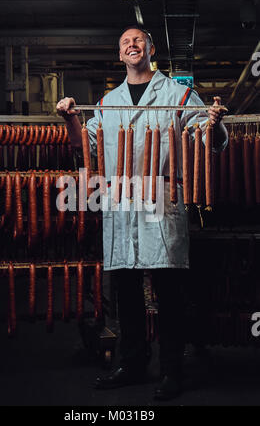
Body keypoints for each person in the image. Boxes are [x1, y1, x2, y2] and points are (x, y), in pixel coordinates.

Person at [56, 25, 228, 401]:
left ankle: (171, 370)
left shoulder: (179, 94)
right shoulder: (107, 102)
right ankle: (132, 363)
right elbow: (85, 147)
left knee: (168, 291)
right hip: (120, 200)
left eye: (138, 40)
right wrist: (69, 117)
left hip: (161, 199)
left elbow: (207, 141)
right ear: (120, 55)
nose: (132, 46)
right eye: (125, 43)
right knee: (125, 291)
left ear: (151, 49)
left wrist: (213, 125)